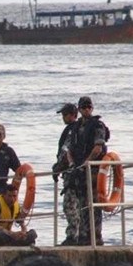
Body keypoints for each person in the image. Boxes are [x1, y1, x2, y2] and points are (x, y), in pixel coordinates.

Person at [66, 96, 110, 245]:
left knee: (94, 204)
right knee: (82, 203)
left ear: (92, 108)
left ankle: (96, 237)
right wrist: (73, 164)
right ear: (79, 109)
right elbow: (69, 149)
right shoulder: (75, 127)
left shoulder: (97, 125)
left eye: (88, 107)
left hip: (93, 170)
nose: (86, 109)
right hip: (79, 170)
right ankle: (83, 236)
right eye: (83, 107)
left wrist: (87, 163)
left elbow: (98, 148)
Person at [53, 103, 80, 245]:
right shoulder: (77, 129)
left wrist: (58, 167)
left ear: (72, 115)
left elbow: (66, 151)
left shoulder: (72, 130)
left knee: (69, 205)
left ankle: (73, 236)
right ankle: (81, 235)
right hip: (75, 172)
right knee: (77, 205)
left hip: (72, 173)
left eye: (65, 114)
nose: (63, 118)